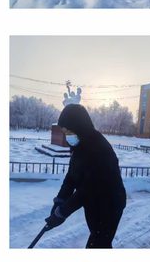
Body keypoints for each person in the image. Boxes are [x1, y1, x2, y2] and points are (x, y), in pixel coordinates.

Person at [44, 104, 126, 248]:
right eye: (64, 131)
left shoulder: (100, 148)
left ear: (80, 127)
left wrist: (62, 213)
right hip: (93, 203)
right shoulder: (79, 145)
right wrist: (59, 201)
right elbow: (71, 177)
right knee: (99, 241)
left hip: (110, 203)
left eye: (69, 131)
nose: (66, 135)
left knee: (97, 245)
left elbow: (89, 189)